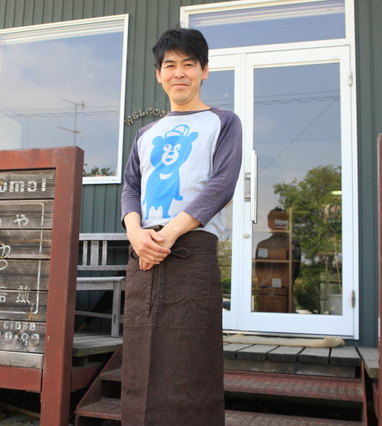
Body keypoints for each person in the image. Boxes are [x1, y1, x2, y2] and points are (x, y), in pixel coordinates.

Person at [120, 27, 242, 425]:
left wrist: (168, 235)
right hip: (144, 251)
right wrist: (136, 233)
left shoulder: (223, 122)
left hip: (191, 247)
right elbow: (130, 187)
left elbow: (221, 184)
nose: (179, 73)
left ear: (205, 70)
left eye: (189, 64)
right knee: (140, 357)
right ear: (159, 74)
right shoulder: (146, 133)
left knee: (191, 356)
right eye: (170, 65)